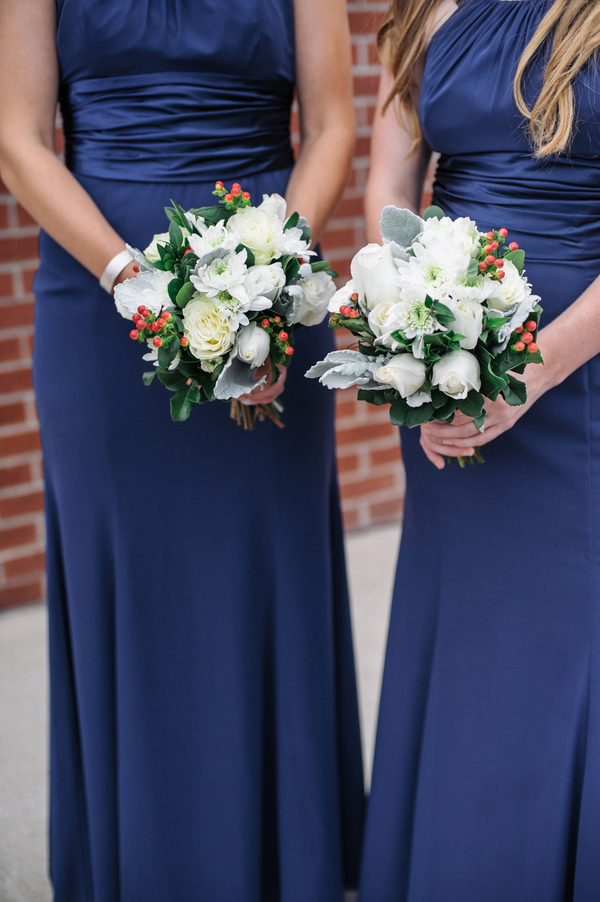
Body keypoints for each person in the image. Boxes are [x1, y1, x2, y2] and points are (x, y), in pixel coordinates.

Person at [0, 1, 365, 900]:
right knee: (129, 574)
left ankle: (288, 859)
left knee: (266, 569)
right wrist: (127, 277)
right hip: (99, 300)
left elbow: (329, 126)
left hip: (268, 292)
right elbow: (18, 138)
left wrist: (272, 274)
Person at [360, 0, 600, 899]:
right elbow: (393, 179)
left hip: (578, 380)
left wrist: (532, 372)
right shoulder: (426, 6)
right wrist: (403, 344)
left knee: (567, 638)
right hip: (445, 377)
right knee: (467, 633)